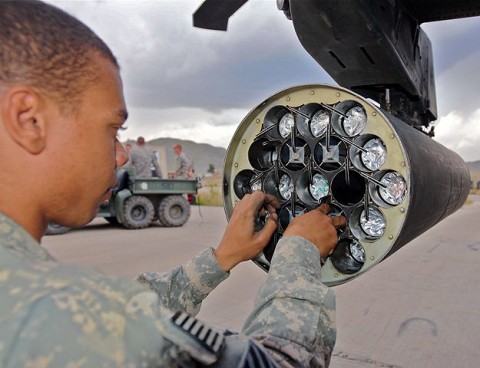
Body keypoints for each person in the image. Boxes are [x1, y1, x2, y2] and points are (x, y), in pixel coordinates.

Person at [0, 2, 346, 367]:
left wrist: (222, 257)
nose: (120, 156)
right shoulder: (53, 313)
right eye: (113, 130)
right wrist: (298, 253)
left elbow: (134, 308)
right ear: (30, 120)